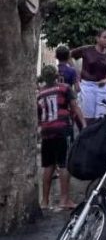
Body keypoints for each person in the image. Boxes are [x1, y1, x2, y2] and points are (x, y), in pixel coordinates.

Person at [37, 65, 85, 210]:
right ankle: (64, 200)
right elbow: (75, 107)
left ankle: (44, 201)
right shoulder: (65, 88)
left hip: (46, 131)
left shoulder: (40, 93)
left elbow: (39, 115)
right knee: (64, 164)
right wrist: (83, 124)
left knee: (48, 166)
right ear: (57, 75)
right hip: (62, 129)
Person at [71, 29, 106, 124]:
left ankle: (99, 137)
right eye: (105, 37)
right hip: (87, 86)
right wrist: (76, 75)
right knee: (88, 117)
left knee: (102, 118)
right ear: (97, 39)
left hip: (102, 87)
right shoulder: (87, 50)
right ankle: (87, 136)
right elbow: (69, 55)